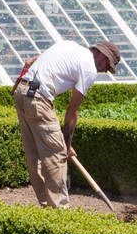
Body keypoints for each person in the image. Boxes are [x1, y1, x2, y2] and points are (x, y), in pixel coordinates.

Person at [11, 39, 121, 207]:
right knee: (57, 156)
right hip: (39, 98)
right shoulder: (89, 68)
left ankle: (46, 206)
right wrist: (66, 146)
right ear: (102, 56)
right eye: (108, 65)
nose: (106, 70)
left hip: (21, 94)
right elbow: (72, 112)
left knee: (34, 157)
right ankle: (61, 211)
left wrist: (19, 84)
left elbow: (29, 62)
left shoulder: (68, 45)